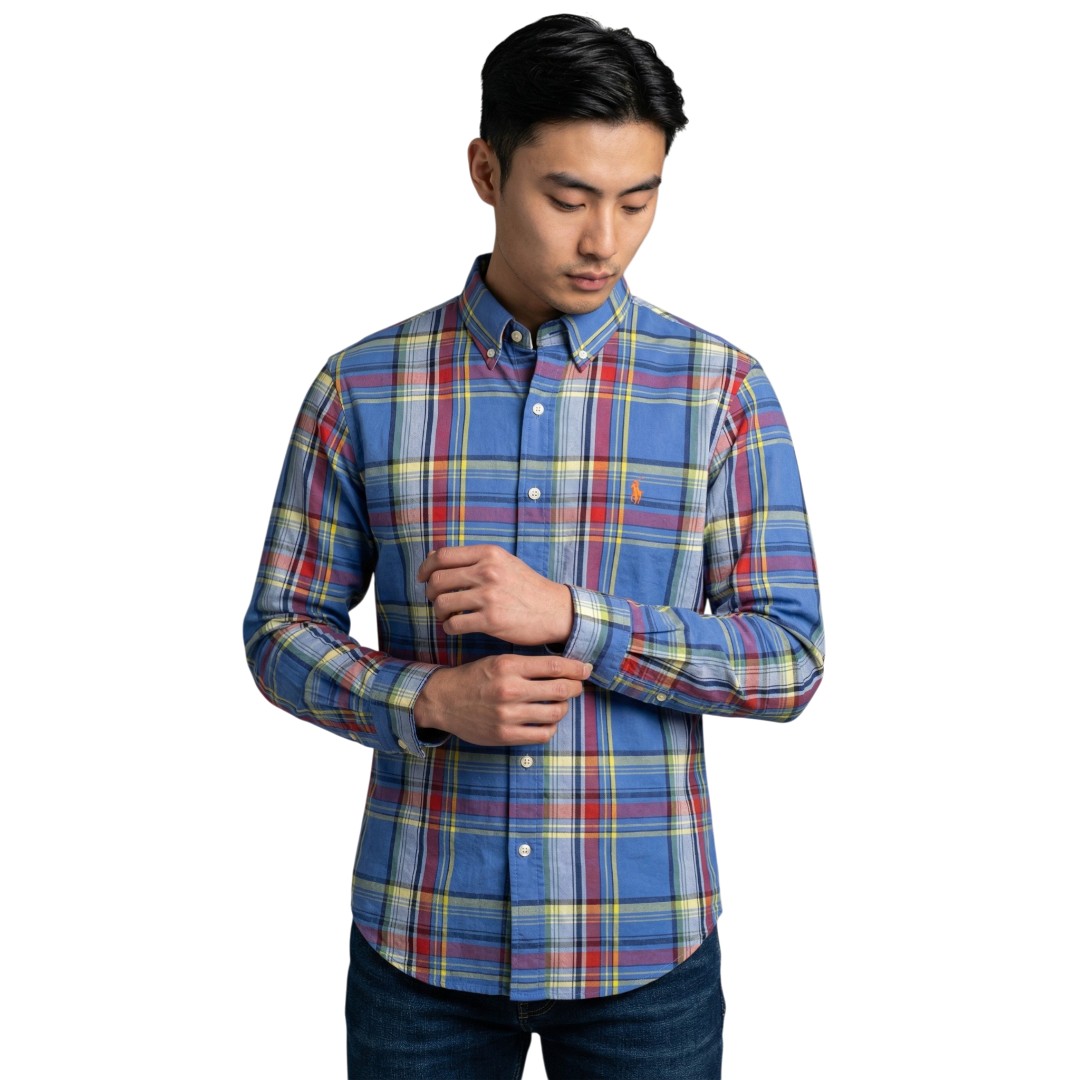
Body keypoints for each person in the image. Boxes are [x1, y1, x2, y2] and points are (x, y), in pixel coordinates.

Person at [243, 13, 824, 1078]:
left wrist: (574, 619)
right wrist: (427, 700)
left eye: (638, 200)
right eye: (569, 198)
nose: (605, 239)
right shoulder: (363, 387)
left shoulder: (720, 391)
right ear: (486, 171)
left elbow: (788, 660)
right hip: (423, 939)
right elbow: (279, 631)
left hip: (645, 947)